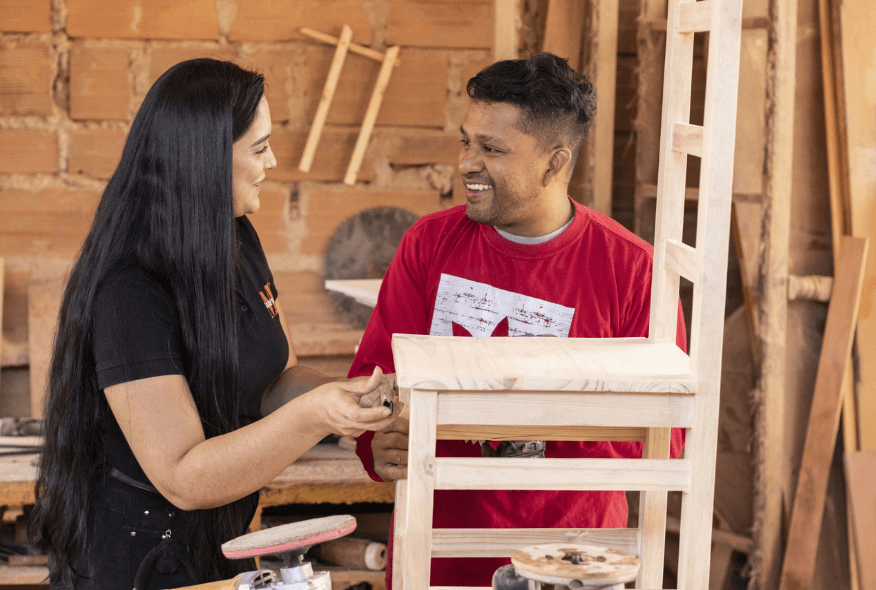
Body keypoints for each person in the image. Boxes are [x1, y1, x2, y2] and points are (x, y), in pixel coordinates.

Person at [28, 59, 396, 590]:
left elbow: (275, 379)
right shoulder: (129, 289)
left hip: (218, 546)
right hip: (139, 563)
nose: (272, 161)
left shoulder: (236, 235)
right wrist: (317, 416)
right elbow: (183, 477)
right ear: (206, 158)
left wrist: (343, 395)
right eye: (259, 147)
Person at [349, 52, 687, 586]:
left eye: (492, 149)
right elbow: (371, 383)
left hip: (572, 563)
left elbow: (667, 439)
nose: (467, 163)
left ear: (554, 163)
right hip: (437, 562)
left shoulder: (633, 270)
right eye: (466, 142)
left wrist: (525, 418)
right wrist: (380, 439)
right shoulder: (427, 245)